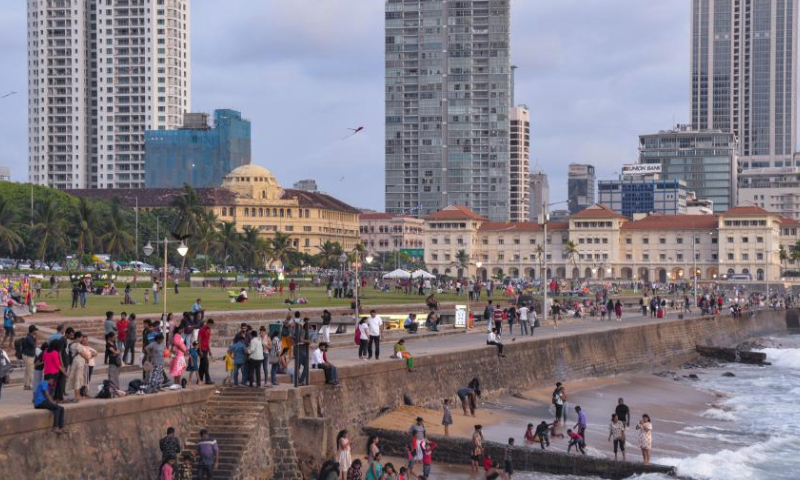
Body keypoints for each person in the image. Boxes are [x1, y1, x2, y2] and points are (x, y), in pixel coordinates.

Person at [66, 332, 90, 402]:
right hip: (79, 363)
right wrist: (87, 359)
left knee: (77, 378)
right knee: (78, 378)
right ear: (77, 337)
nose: (82, 339)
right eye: (81, 338)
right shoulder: (77, 345)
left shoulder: (71, 344)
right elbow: (83, 354)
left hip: (75, 363)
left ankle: (77, 394)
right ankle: (77, 395)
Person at [22, 325, 38, 390]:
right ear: (33, 330)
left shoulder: (30, 337)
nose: (36, 331)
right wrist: (36, 338)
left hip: (28, 355)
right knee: (31, 371)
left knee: (27, 371)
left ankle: (26, 385)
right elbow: (35, 345)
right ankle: (35, 386)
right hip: (29, 356)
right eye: (35, 330)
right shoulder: (29, 338)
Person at [198, 319, 214, 385]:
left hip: (206, 349)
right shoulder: (202, 330)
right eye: (209, 324)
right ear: (207, 323)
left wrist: (210, 350)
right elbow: (199, 340)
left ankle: (199, 379)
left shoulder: (209, 330)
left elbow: (208, 341)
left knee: (202, 365)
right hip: (202, 350)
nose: (210, 326)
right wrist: (200, 350)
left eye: (211, 325)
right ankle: (208, 380)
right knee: (206, 364)